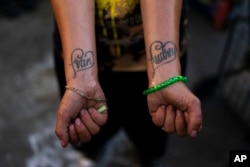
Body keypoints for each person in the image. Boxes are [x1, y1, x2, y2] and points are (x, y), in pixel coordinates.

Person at [51, 0, 203, 166]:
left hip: (156, 61)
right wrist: (81, 78)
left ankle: (147, 155)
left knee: (152, 137)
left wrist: (165, 73)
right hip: (81, 52)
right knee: (88, 132)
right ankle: (92, 152)